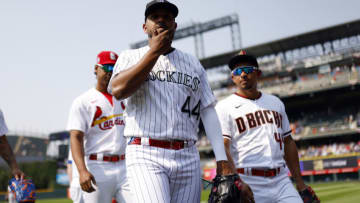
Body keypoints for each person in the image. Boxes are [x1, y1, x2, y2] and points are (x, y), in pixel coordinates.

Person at [110, 1, 253, 202]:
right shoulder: (130, 56)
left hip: (187, 156)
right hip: (146, 153)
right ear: (145, 27)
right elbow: (118, 90)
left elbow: (208, 110)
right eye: (154, 17)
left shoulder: (193, 63)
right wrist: (154, 52)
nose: (161, 20)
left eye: (167, 17)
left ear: (175, 25)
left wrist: (222, 159)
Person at [215, 51, 311, 203]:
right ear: (233, 78)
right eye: (238, 71)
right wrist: (237, 182)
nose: (243, 75)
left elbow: (288, 142)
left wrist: (299, 182)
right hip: (249, 180)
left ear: (258, 73)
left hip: (281, 180)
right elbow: (222, 147)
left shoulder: (276, 103)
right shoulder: (224, 107)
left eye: (247, 69)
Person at [68, 51, 133, 203]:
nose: (110, 73)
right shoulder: (83, 101)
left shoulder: (127, 98)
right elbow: (76, 137)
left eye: (114, 69)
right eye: (107, 68)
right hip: (97, 166)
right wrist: (82, 171)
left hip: (125, 166)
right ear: (96, 69)